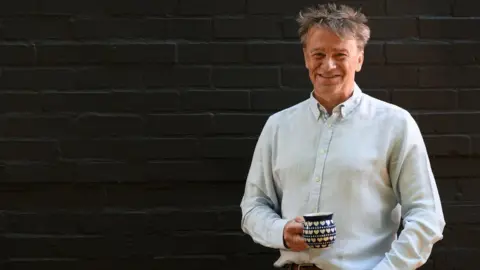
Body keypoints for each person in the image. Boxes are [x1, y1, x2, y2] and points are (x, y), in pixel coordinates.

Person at [240, 3, 445, 270]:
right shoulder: (278, 126)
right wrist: (281, 232)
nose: (328, 65)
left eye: (340, 54)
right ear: (305, 57)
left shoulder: (395, 124)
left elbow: (427, 216)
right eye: (318, 54)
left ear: (359, 58)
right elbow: (253, 207)